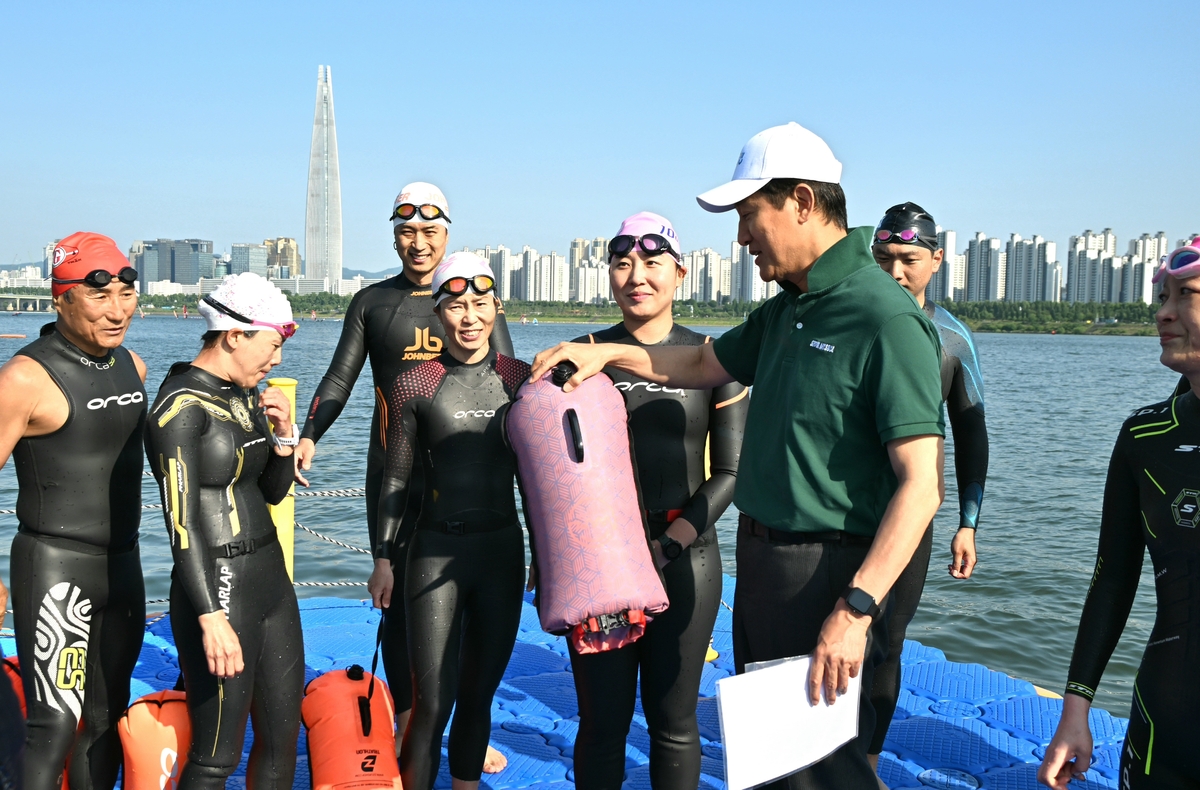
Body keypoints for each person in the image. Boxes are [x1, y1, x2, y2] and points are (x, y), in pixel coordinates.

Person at [532, 122, 945, 789]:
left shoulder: (883, 317)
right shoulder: (790, 309)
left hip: (826, 572)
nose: (743, 237)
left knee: (823, 772)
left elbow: (922, 486)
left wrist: (856, 608)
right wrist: (606, 352)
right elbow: (698, 360)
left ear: (803, 203)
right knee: (775, 769)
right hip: (764, 566)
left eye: (751, 216)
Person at [296, 183, 513, 768]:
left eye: (430, 232)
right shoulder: (372, 303)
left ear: (447, 234)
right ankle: (411, 720)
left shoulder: (474, 298)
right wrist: (310, 434)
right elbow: (340, 379)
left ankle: (466, 721)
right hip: (393, 472)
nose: (419, 244)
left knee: (469, 600)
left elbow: (511, 381)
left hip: (464, 473)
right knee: (396, 601)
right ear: (394, 236)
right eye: (407, 233)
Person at [566, 211, 749, 789]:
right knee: (601, 722)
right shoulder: (585, 355)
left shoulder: (714, 359)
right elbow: (548, 471)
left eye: (651, 263)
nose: (636, 276)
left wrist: (670, 544)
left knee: (673, 722)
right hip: (601, 563)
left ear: (680, 273)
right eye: (622, 263)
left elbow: (732, 472)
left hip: (686, 554)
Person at [1039, 239, 1200, 790]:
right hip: (1165, 723)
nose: (1162, 312)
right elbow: (1113, 578)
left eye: (1186, 295)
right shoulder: (1146, 436)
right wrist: (1076, 708)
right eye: (1162, 296)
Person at [366, 252, 529, 790]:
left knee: (480, 695)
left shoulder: (522, 381)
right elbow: (394, 481)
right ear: (437, 315)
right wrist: (384, 558)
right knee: (432, 701)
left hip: (502, 553)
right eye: (455, 305)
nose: (469, 317)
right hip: (434, 552)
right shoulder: (414, 386)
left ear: (497, 308)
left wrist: (553, 557)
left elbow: (542, 481)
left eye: (480, 304)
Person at [0, 232, 147, 790]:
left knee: (108, 721)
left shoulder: (132, 366)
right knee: (54, 724)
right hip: (56, 572)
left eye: (127, 295)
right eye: (99, 297)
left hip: (125, 568)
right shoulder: (23, 378)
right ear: (60, 299)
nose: (117, 311)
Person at [145, 273, 302, 790]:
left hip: (271, 580)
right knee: (217, 756)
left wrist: (283, 436)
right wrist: (210, 617)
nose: (276, 360)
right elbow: (182, 525)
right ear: (235, 335)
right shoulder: (178, 409)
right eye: (272, 345)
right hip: (219, 584)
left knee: (282, 745)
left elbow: (273, 493)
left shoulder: (244, 396)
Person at [868, 202, 989, 765]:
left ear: (936, 260)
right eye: (884, 258)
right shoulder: (852, 317)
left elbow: (971, 435)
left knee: (886, 641)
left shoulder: (952, 340)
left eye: (909, 260)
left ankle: (865, 763)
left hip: (908, 513)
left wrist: (968, 523)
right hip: (831, 510)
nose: (895, 272)